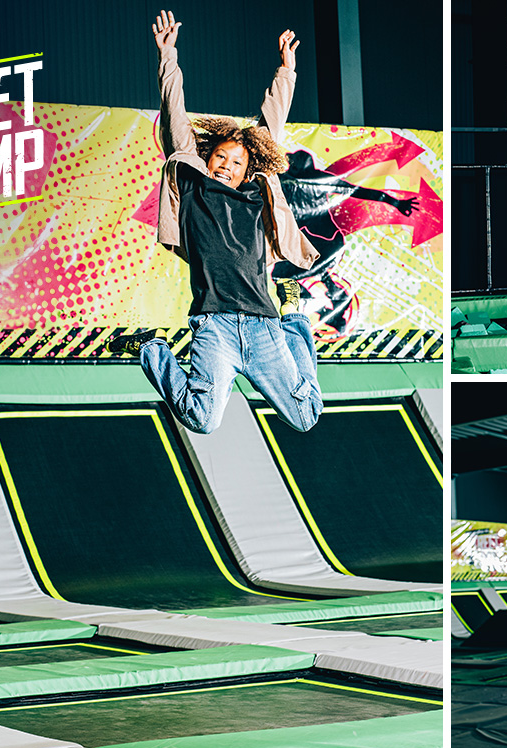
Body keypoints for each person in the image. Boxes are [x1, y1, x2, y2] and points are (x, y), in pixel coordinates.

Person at [105, 11, 322, 435]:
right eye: (220, 157)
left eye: (236, 163)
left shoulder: (257, 192)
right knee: (202, 420)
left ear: (247, 170)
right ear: (208, 159)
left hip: (264, 324)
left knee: (306, 416)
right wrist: (167, 56)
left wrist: (287, 71)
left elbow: (271, 127)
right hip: (214, 325)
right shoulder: (193, 182)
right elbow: (174, 114)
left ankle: (294, 316)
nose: (226, 165)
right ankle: (151, 348)